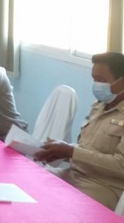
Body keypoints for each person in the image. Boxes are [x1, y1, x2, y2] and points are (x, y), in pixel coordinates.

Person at [35, 52, 124, 210]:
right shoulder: (98, 106)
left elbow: (120, 165)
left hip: (102, 187)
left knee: (55, 207)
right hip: (73, 174)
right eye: (94, 79)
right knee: (32, 182)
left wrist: (72, 152)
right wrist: (59, 150)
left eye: (101, 80)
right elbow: (86, 148)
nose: (96, 85)